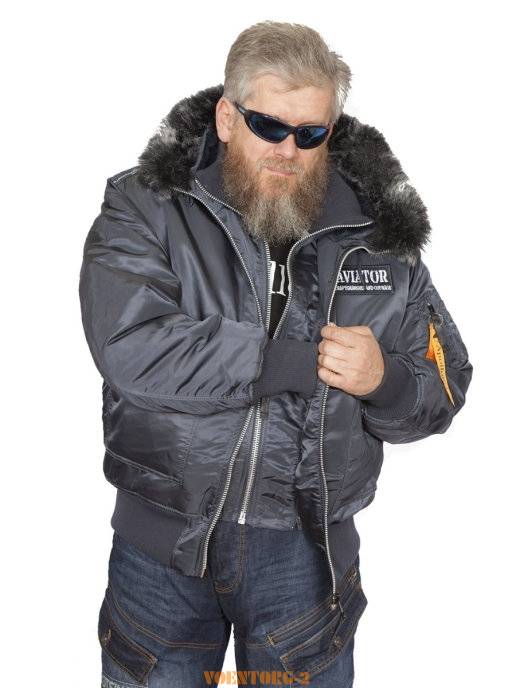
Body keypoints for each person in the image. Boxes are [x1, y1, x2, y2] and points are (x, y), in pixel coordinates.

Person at [79, 20, 473, 688]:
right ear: (227, 118)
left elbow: (447, 379)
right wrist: (281, 361)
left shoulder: (379, 236)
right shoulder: (147, 206)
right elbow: (130, 345)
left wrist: (384, 380)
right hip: (163, 548)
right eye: (269, 126)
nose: (289, 150)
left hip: (305, 554)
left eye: (311, 134)